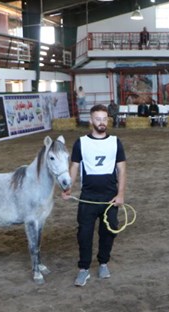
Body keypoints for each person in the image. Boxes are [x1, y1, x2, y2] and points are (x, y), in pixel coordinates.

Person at [62, 104, 127, 287]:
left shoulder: (115, 142)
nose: (101, 122)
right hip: (87, 197)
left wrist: (120, 194)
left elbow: (122, 169)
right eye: (98, 119)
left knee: (109, 231)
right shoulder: (81, 142)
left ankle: (103, 263)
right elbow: (74, 167)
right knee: (84, 234)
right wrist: (68, 188)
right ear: (91, 120)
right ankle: (83, 269)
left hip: (110, 197)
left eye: (104, 119)